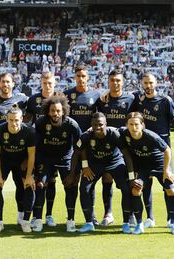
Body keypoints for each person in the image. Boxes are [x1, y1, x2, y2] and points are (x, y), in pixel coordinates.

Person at [130, 73, 174, 229]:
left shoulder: (165, 101)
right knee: (145, 186)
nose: (148, 86)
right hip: (143, 150)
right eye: (145, 83)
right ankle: (149, 218)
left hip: (163, 151)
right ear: (141, 83)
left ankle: (171, 220)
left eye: (151, 83)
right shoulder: (138, 101)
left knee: (168, 185)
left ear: (156, 83)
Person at [119, 112, 174, 235]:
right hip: (142, 167)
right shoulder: (124, 133)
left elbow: (167, 150)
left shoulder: (151, 136)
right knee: (136, 190)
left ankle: (173, 224)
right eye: (130, 124)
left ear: (142, 125)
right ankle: (139, 224)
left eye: (136, 124)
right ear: (126, 125)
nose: (133, 127)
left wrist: (166, 170)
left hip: (159, 165)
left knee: (171, 190)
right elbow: (110, 129)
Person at [73, 112, 131, 233]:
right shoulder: (86, 136)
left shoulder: (114, 134)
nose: (98, 127)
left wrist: (131, 175)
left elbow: (126, 153)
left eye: (100, 124)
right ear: (91, 125)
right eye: (95, 125)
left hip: (114, 162)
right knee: (84, 188)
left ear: (106, 124)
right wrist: (83, 167)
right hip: (95, 164)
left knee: (126, 188)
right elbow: (77, 151)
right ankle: (89, 222)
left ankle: (126, 222)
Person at [32, 95, 81, 232]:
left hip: (65, 158)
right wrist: (34, 168)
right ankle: (38, 219)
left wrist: (76, 171)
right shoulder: (41, 123)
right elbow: (34, 146)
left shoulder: (72, 125)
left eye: (58, 111)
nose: (55, 114)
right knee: (40, 185)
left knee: (70, 186)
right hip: (45, 158)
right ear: (48, 111)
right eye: (53, 110)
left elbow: (80, 147)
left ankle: (70, 220)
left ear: (64, 111)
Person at [0, 72, 28, 227]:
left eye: (8, 82)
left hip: (19, 152)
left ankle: (21, 216)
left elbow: (35, 112)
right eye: (3, 82)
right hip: (0, 153)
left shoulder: (22, 100)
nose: (5, 84)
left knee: (21, 185)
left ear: (13, 84)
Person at [64, 65, 104, 226]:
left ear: (88, 77)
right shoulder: (67, 95)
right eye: (78, 75)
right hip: (72, 147)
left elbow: (101, 116)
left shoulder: (96, 95)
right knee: (73, 180)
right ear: (75, 77)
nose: (81, 78)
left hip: (90, 146)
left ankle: (91, 216)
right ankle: (71, 217)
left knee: (89, 181)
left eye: (83, 76)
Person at [94, 69, 135, 226]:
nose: (115, 83)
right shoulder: (102, 100)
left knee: (129, 179)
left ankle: (130, 214)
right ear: (108, 82)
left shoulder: (131, 98)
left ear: (123, 82)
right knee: (106, 177)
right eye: (112, 80)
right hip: (108, 146)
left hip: (126, 145)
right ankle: (108, 214)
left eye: (118, 80)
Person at [25, 72, 63, 227]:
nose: (47, 86)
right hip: (39, 148)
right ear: (41, 83)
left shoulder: (61, 98)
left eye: (50, 83)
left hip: (56, 147)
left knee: (52, 182)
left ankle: (49, 215)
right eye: (45, 83)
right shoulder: (33, 100)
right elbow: (27, 122)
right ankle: (36, 215)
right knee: (40, 182)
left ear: (54, 84)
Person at [0, 106, 36, 233]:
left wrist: (28, 176)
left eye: (16, 120)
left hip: (22, 161)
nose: (14, 123)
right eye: (11, 120)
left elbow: (32, 154)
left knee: (28, 186)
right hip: (3, 160)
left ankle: (25, 221)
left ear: (22, 119)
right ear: (7, 119)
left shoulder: (30, 131)